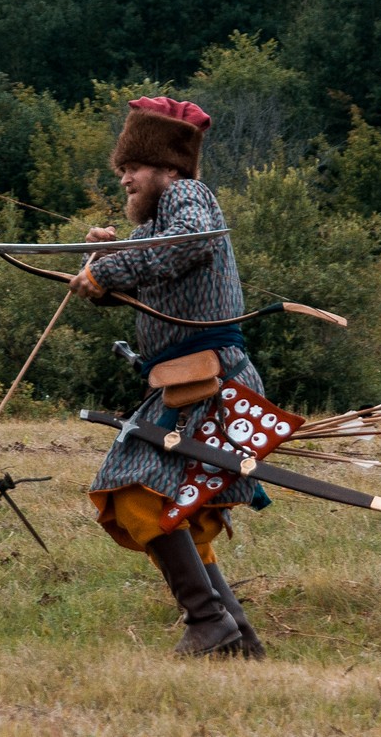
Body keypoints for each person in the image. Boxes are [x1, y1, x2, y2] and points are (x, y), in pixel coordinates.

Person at [67, 96, 266, 659]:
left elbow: (188, 244)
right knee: (179, 510)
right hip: (191, 385)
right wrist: (102, 263)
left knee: (136, 494)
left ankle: (209, 621)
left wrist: (109, 268)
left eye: (133, 167)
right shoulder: (157, 226)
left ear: (168, 169)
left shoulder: (188, 196)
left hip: (210, 382)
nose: (124, 178)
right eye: (124, 169)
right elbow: (138, 273)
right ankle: (235, 638)